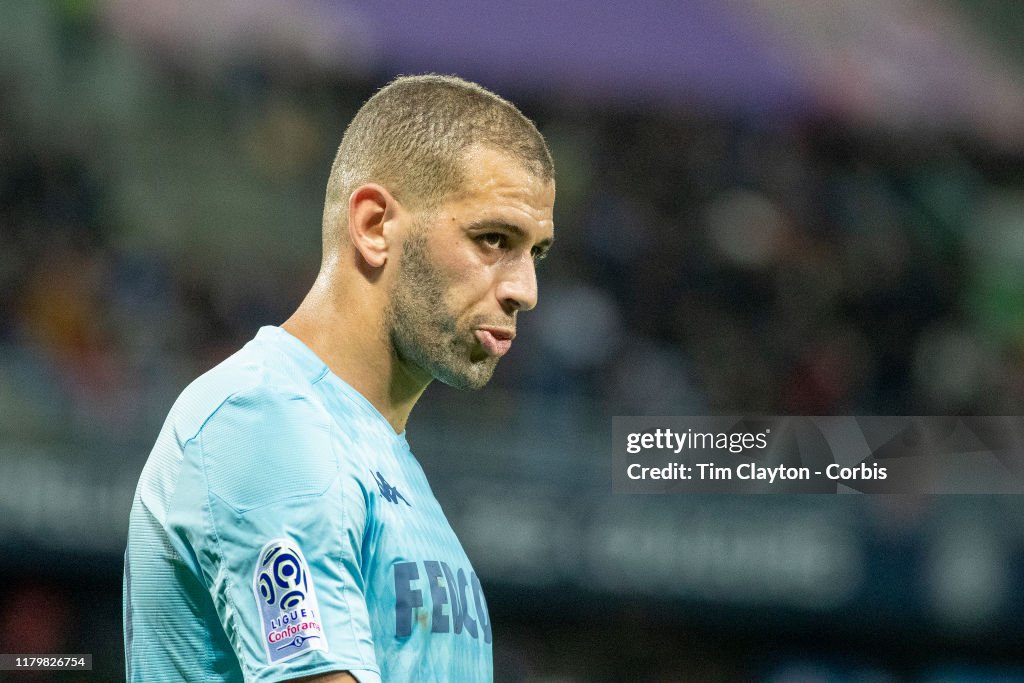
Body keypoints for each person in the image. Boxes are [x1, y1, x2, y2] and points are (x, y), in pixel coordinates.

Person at [123, 74, 555, 682]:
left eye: (535, 253)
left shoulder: (378, 456)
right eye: (493, 239)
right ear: (375, 225)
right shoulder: (265, 419)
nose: (525, 292)